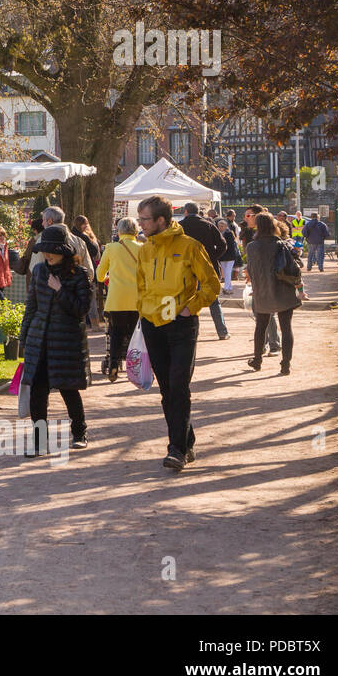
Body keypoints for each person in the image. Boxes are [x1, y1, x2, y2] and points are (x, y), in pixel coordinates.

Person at [135, 194, 221, 473]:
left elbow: (211, 284)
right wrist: (144, 309)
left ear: (161, 220)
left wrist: (190, 307)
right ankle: (186, 441)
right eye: (139, 219)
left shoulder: (189, 247)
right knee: (168, 389)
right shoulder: (145, 249)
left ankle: (177, 450)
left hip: (182, 324)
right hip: (153, 324)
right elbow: (141, 284)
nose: (141, 224)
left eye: (145, 219)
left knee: (179, 386)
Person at [19, 224, 92, 456]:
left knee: (68, 389)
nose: (47, 254)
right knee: (38, 392)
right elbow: (31, 307)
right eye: (45, 250)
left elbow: (82, 310)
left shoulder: (79, 275)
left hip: (66, 342)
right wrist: (24, 338)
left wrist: (60, 289)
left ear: (64, 251)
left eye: (51, 250)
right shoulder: (40, 271)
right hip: (39, 340)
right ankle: (39, 441)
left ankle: (80, 432)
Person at [244, 212, 299, 375]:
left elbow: (251, 271)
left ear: (258, 226)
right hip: (283, 289)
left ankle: (257, 360)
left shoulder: (252, 247)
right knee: (286, 328)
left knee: (260, 327)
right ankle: (285, 364)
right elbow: (293, 267)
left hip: (263, 291)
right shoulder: (281, 244)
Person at [95, 217, 143, 382]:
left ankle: (114, 363)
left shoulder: (112, 248)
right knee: (134, 335)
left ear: (119, 231)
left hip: (117, 299)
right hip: (138, 300)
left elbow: (100, 276)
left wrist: (110, 276)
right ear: (136, 231)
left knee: (116, 333)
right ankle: (135, 366)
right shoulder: (143, 248)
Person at [179, 201, 230, 340]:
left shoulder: (180, 226)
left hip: (187, 268)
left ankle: (192, 332)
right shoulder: (208, 225)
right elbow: (222, 244)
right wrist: (212, 257)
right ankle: (222, 331)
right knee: (214, 300)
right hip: (207, 267)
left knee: (188, 300)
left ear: (186, 212)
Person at [215, 217, 241, 293]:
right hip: (222, 256)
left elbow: (230, 246)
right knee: (226, 271)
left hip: (230, 256)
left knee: (228, 271)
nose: (220, 227)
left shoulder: (229, 233)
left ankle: (226, 287)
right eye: (219, 226)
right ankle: (229, 288)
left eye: (222, 226)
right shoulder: (218, 233)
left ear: (226, 226)